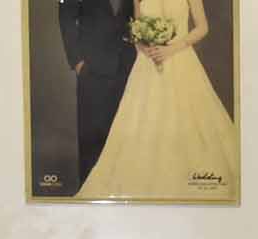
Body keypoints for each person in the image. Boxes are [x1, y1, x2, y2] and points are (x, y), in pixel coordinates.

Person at [75, 0, 239, 201]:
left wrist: (172, 48)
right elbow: (136, 32)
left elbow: (202, 27)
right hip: (147, 65)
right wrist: (146, 49)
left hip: (181, 60)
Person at [57, 0, 137, 187]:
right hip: (92, 69)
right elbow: (66, 18)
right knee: (91, 134)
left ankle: (122, 189)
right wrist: (77, 62)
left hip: (128, 66)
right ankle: (90, 191)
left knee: (125, 133)